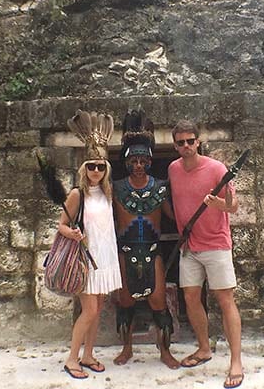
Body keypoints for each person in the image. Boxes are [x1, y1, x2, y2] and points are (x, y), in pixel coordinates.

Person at [167, 120, 244, 389]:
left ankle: (236, 361)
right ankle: (203, 349)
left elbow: (233, 207)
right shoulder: (173, 169)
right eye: (180, 142)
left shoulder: (216, 169)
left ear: (198, 141)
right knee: (190, 297)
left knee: (225, 300)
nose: (186, 146)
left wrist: (218, 203)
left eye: (190, 141)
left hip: (216, 245)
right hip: (189, 246)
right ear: (174, 145)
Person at [109, 110, 180, 369]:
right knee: (125, 301)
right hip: (126, 251)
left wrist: (191, 218)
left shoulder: (160, 188)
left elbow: (175, 216)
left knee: (158, 301)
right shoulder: (116, 188)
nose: (138, 165)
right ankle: (127, 348)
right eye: (134, 161)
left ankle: (165, 351)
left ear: (149, 162)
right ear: (127, 162)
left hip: (153, 250)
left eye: (143, 161)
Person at [59, 110, 121, 379]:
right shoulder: (76, 194)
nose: (96, 170)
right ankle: (72, 358)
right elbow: (61, 225)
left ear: (106, 168)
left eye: (101, 166)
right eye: (91, 166)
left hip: (104, 259)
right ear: (84, 168)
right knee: (90, 310)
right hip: (86, 259)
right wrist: (72, 234)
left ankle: (88, 355)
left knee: (97, 310)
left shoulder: (108, 194)